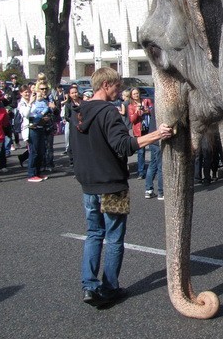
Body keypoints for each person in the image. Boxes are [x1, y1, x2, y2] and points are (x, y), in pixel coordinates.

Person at [69, 67, 173, 307]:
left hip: (88, 185)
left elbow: (74, 150)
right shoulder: (109, 112)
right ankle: (110, 287)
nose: (121, 91)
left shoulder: (77, 113)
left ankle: (89, 285)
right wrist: (157, 134)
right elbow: (124, 146)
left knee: (94, 233)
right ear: (106, 85)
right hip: (112, 184)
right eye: (117, 86)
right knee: (114, 237)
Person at [27, 82, 53, 181]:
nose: (42, 93)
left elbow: (51, 111)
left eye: (44, 90)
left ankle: (37, 173)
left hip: (42, 126)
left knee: (40, 151)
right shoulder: (31, 102)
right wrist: (31, 102)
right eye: (40, 91)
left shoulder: (46, 101)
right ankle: (31, 174)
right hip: (33, 127)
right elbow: (27, 114)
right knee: (34, 152)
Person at [127, 87, 152, 179]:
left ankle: (153, 169)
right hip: (139, 130)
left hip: (148, 127)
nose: (136, 95)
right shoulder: (130, 106)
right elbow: (132, 120)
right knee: (141, 151)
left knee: (153, 148)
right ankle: (141, 172)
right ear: (131, 96)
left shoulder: (146, 101)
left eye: (137, 93)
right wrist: (137, 111)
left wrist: (147, 110)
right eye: (134, 94)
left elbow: (152, 110)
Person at [63, 85, 81, 166]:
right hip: (73, 127)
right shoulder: (68, 104)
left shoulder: (82, 102)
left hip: (82, 126)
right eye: (72, 93)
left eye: (76, 92)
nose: (75, 94)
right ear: (70, 94)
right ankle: (72, 161)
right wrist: (74, 121)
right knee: (72, 144)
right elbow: (67, 116)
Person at [16, 85, 32, 167]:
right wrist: (30, 104)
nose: (28, 94)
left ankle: (22, 157)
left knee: (34, 148)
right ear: (21, 93)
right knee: (31, 148)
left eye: (29, 91)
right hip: (27, 128)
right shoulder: (21, 103)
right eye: (25, 92)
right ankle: (31, 168)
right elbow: (26, 114)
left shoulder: (32, 100)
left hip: (35, 126)